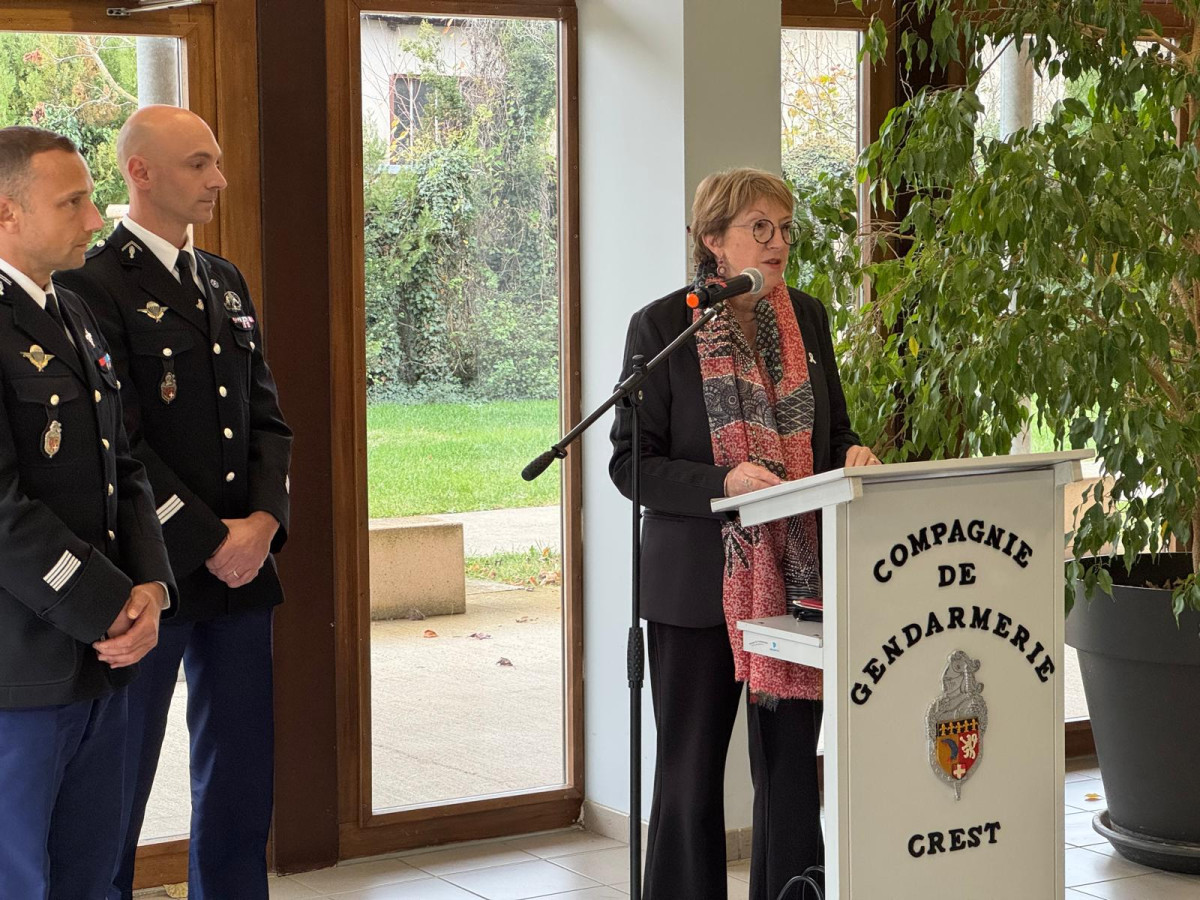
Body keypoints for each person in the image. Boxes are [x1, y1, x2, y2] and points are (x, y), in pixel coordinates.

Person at [609, 167, 880, 900]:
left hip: (797, 588)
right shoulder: (664, 327)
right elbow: (632, 465)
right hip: (697, 587)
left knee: (791, 777)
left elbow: (836, 432)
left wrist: (852, 454)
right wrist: (720, 485)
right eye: (760, 227)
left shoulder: (811, 318)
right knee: (689, 778)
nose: (779, 242)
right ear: (712, 240)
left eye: (785, 227)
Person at [57, 106, 292, 900]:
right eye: (198, 164)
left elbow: (266, 415)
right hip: (151, 572)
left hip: (243, 570)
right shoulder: (90, 285)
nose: (218, 179)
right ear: (141, 172)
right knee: (116, 785)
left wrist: (261, 525)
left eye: (217, 162)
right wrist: (206, 539)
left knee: (240, 777)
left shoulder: (223, 279)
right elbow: (117, 442)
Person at [0, 125, 176, 899]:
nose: (94, 217)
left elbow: (122, 467)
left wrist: (153, 588)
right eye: (71, 202)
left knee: (93, 873)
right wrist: (111, 603)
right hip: (24, 666)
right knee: (20, 877)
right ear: (6, 212)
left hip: (100, 659)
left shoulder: (71, 312)